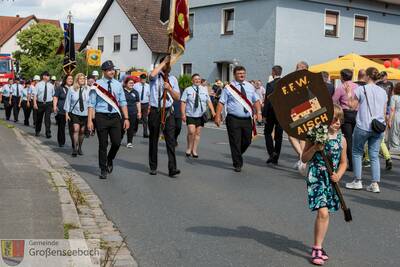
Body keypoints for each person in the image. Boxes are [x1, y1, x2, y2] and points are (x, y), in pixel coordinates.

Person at [301, 104, 347, 266]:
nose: (338, 122)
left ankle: (319, 243)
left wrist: (339, 175)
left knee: (325, 213)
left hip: (330, 179)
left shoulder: (342, 139)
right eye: (335, 119)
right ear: (325, 119)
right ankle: (317, 248)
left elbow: (343, 162)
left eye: (340, 119)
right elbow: (304, 158)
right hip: (317, 177)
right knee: (323, 213)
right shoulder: (314, 135)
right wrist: (315, 147)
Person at [345, 67, 387, 193]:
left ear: (367, 76)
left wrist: (348, 93)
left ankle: (358, 181)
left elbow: (351, 106)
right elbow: (384, 111)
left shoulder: (361, 89)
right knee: (374, 155)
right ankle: (375, 183)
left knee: (357, 152)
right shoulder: (383, 91)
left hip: (364, 125)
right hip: (378, 126)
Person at [215, 66, 262, 172]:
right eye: (240, 73)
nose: (242, 75)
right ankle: (237, 163)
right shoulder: (229, 88)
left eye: (243, 73)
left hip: (247, 119)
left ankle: (237, 154)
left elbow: (256, 100)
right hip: (233, 119)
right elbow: (221, 102)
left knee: (247, 140)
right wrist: (217, 116)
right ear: (235, 75)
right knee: (235, 141)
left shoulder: (250, 86)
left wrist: (259, 112)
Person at [87, 60, 129, 179]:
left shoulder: (118, 84)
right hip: (101, 116)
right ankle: (103, 168)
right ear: (104, 71)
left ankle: (109, 159)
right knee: (103, 144)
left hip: (115, 116)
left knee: (116, 142)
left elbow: (123, 102)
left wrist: (126, 118)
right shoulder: (97, 85)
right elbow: (91, 104)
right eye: (110, 70)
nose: (112, 71)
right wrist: (90, 121)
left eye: (113, 69)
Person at [148, 56, 181, 177]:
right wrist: (163, 63)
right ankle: (153, 166)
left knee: (170, 140)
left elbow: (177, 97)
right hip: (155, 110)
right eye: (168, 64)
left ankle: (172, 168)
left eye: (170, 64)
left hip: (168, 111)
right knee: (154, 139)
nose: (169, 66)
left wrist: (170, 89)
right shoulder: (155, 76)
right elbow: (152, 74)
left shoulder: (173, 79)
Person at [181, 73, 216, 158]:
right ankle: (189, 148)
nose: (197, 80)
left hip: (201, 115)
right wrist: (183, 114)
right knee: (191, 131)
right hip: (190, 114)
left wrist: (213, 112)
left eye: (199, 79)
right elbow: (183, 102)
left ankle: (194, 150)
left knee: (198, 133)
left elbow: (209, 101)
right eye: (195, 79)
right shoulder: (188, 90)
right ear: (192, 81)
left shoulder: (204, 89)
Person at [332, 69, 358, 171]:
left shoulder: (340, 87)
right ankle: (355, 163)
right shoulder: (357, 87)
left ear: (342, 77)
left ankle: (350, 163)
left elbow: (333, 101)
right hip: (356, 113)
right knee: (355, 140)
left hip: (346, 114)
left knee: (347, 139)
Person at [64, 73, 90, 157]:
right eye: (80, 79)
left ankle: (80, 147)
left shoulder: (88, 89)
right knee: (76, 129)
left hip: (85, 113)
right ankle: (75, 148)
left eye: (83, 79)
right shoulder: (72, 89)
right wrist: (66, 113)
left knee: (82, 131)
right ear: (77, 80)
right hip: (75, 113)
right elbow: (67, 101)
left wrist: (92, 114)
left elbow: (90, 102)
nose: (82, 80)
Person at [289, 61, 309, 169]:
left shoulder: (306, 79)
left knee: (295, 135)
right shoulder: (295, 79)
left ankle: (302, 158)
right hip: (296, 108)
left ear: (305, 68)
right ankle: (302, 159)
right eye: (296, 67)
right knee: (298, 136)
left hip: (303, 108)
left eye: (299, 67)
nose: (296, 69)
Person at [263, 65, 283, 164]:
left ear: (274, 72)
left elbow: (268, 100)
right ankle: (276, 157)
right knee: (279, 136)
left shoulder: (270, 84)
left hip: (271, 112)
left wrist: (264, 114)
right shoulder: (285, 83)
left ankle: (272, 153)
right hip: (282, 113)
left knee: (267, 132)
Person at [33, 71, 55, 138]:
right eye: (47, 76)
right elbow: (35, 95)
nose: (49, 77)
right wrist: (35, 104)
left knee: (47, 119)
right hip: (40, 104)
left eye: (49, 76)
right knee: (39, 118)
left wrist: (54, 106)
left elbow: (54, 96)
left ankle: (48, 132)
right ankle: (37, 131)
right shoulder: (38, 85)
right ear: (44, 76)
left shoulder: (51, 85)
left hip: (48, 104)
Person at [54, 75, 72, 147]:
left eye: (72, 79)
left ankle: (74, 142)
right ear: (65, 80)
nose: (71, 80)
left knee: (73, 128)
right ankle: (61, 141)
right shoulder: (60, 88)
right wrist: (55, 106)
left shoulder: (74, 88)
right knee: (61, 127)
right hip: (62, 110)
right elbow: (55, 97)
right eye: (69, 79)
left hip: (71, 111)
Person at [122, 77, 141, 148]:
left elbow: (138, 102)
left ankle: (129, 142)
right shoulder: (122, 91)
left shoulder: (135, 92)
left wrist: (139, 112)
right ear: (126, 83)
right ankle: (118, 139)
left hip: (133, 112)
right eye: (130, 83)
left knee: (131, 128)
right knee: (122, 127)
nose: (132, 84)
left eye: (133, 83)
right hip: (123, 113)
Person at [133, 73, 150, 138]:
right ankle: (134, 131)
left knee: (145, 119)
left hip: (145, 104)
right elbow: (133, 93)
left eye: (144, 79)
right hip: (138, 104)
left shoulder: (148, 86)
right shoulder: (136, 85)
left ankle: (145, 133)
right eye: (142, 79)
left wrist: (149, 106)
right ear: (140, 79)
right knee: (137, 118)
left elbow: (149, 96)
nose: (143, 80)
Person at [388, 83, 400, 154]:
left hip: (397, 116)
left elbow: (392, 109)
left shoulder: (394, 97)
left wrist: (389, 120)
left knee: (395, 133)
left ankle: (396, 149)